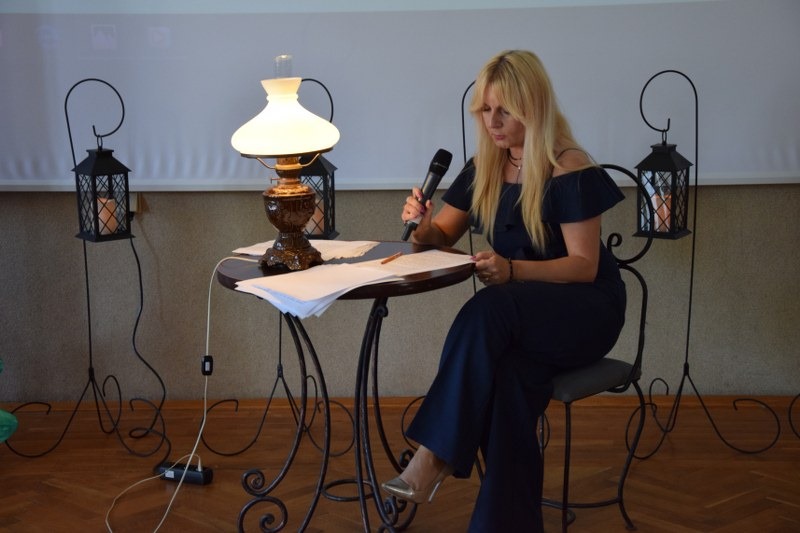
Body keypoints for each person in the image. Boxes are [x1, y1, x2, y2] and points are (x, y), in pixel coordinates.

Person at [381, 50, 627, 532]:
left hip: (585, 312)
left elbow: (584, 267)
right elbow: (441, 236)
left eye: (504, 111)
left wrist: (513, 271)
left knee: (489, 307)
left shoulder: (568, 168)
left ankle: (434, 454)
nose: (492, 122)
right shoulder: (485, 168)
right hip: (520, 319)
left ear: (533, 108)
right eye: (485, 109)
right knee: (510, 381)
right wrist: (423, 224)